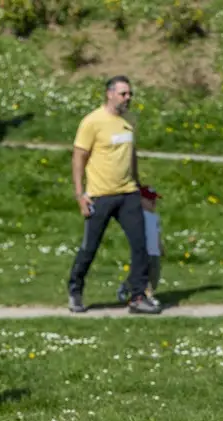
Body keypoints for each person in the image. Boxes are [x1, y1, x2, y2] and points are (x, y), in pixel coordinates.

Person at [69, 76, 161, 315]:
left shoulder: (128, 121)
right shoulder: (92, 122)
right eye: (123, 94)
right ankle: (75, 290)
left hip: (128, 193)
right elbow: (79, 157)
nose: (127, 98)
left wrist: (140, 188)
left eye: (130, 94)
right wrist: (80, 194)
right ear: (109, 94)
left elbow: (131, 156)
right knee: (90, 247)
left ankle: (138, 296)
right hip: (100, 195)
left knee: (140, 245)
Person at [118, 185, 163, 303]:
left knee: (155, 276)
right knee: (142, 274)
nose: (154, 203)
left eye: (155, 200)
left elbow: (157, 234)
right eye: (150, 200)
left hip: (155, 252)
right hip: (144, 251)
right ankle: (146, 296)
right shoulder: (138, 216)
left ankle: (129, 286)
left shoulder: (155, 217)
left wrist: (161, 247)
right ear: (140, 200)